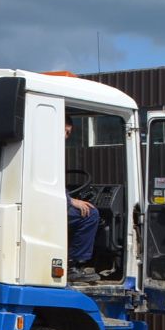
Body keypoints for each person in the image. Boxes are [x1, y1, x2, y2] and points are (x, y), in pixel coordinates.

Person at [65, 118, 101, 284]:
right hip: (46, 206)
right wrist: (71, 201)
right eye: (65, 131)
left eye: (69, 133)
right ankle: (74, 265)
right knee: (90, 214)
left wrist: (69, 198)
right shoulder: (46, 147)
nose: (66, 136)